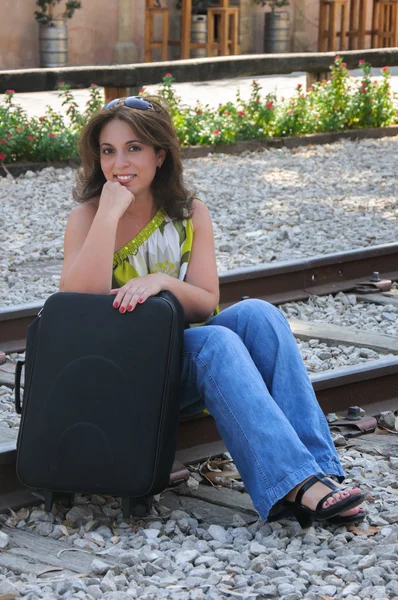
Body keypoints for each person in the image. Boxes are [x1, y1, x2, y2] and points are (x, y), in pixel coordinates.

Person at [60, 95, 365, 528]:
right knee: (215, 340)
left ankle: (318, 472)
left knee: (259, 314)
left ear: (160, 155)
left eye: (134, 148)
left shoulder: (190, 213)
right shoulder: (87, 216)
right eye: (108, 151)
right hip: (122, 373)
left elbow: (205, 300)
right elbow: (79, 301)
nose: (118, 163)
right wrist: (109, 214)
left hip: (179, 366)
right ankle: (295, 483)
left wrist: (162, 282)